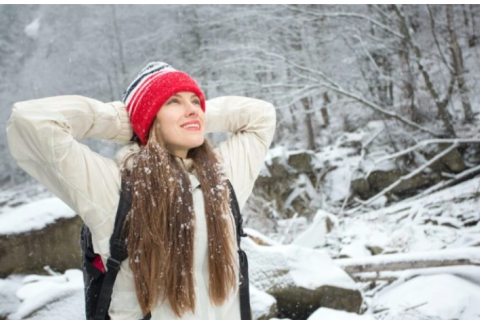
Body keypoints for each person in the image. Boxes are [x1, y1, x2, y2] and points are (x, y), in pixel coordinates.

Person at [6, 61, 276, 320]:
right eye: (173, 101)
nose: (193, 109)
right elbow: (29, 120)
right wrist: (131, 119)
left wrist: (192, 116)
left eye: (195, 100)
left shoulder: (223, 178)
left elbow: (262, 115)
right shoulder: (114, 188)